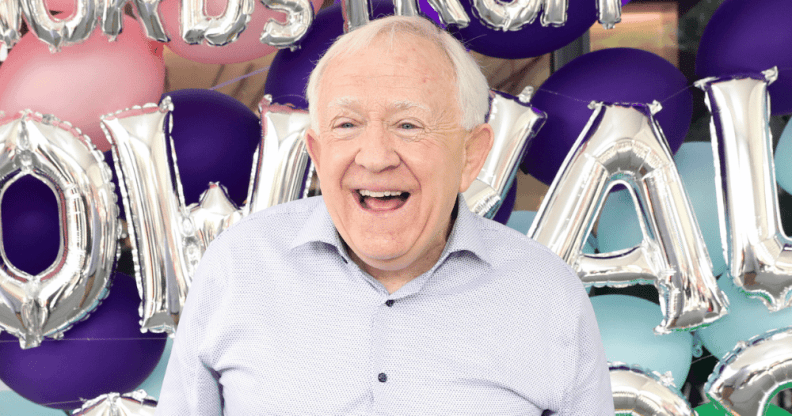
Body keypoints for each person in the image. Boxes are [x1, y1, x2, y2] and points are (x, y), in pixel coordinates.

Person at [155, 15, 613, 415]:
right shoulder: (236, 267)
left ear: (472, 156)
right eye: (347, 125)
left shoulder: (549, 297)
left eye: (408, 125)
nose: (374, 158)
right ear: (317, 151)